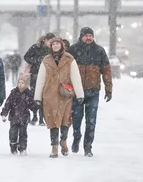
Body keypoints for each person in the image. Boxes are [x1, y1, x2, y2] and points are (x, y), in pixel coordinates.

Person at [34, 37, 84, 158]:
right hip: (49, 95)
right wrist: (37, 97)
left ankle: (64, 140)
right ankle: (54, 146)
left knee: (65, 119)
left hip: (65, 94)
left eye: (57, 44)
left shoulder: (69, 59)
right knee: (53, 121)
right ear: (51, 46)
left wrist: (80, 94)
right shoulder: (46, 60)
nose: (55, 46)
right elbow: (40, 79)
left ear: (62, 45)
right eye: (53, 44)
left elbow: (75, 77)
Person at [67, 27, 113, 157]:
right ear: (81, 36)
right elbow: (65, 70)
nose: (89, 38)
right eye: (86, 35)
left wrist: (108, 89)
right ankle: (77, 137)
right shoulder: (73, 51)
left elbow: (106, 71)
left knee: (91, 121)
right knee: (76, 119)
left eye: (90, 36)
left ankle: (88, 147)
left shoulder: (99, 51)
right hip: (77, 92)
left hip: (93, 92)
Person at [24, 33, 56, 126]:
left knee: (44, 97)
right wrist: (36, 61)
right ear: (45, 40)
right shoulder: (36, 47)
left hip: (48, 75)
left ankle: (42, 118)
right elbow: (26, 57)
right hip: (35, 74)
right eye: (50, 41)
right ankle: (34, 115)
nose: (51, 43)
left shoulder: (53, 49)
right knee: (35, 95)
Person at [0, 74, 36, 156]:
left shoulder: (29, 94)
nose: (20, 84)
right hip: (14, 117)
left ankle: (22, 148)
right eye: (19, 82)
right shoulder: (13, 93)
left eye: (22, 83)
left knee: (23, 134)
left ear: (26, 84)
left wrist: (35, 104)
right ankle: (13, 147)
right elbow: (8, 104)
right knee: (13, 133)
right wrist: (4, 113)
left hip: (24, 117)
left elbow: (32, 106)